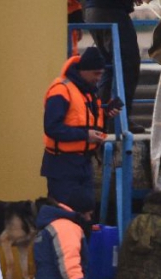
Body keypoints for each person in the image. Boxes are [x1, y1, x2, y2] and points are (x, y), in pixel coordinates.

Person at [42, 46, 119, 209]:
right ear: (84, 70)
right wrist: (86, 135)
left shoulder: (89, 92)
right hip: (62, 165)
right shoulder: (61, 90)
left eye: (101, 74)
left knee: (86, 213)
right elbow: (52, 128)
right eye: (96, 74)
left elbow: (83, 120)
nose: (99, 78)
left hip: (83, 163)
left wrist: (105, 115)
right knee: (64, 212)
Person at [84, 0, 148, 134]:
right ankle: (118, 119)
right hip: (111, 11)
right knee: (127, 65)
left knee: (110, 67)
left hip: (93, 11)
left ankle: (100, 118)